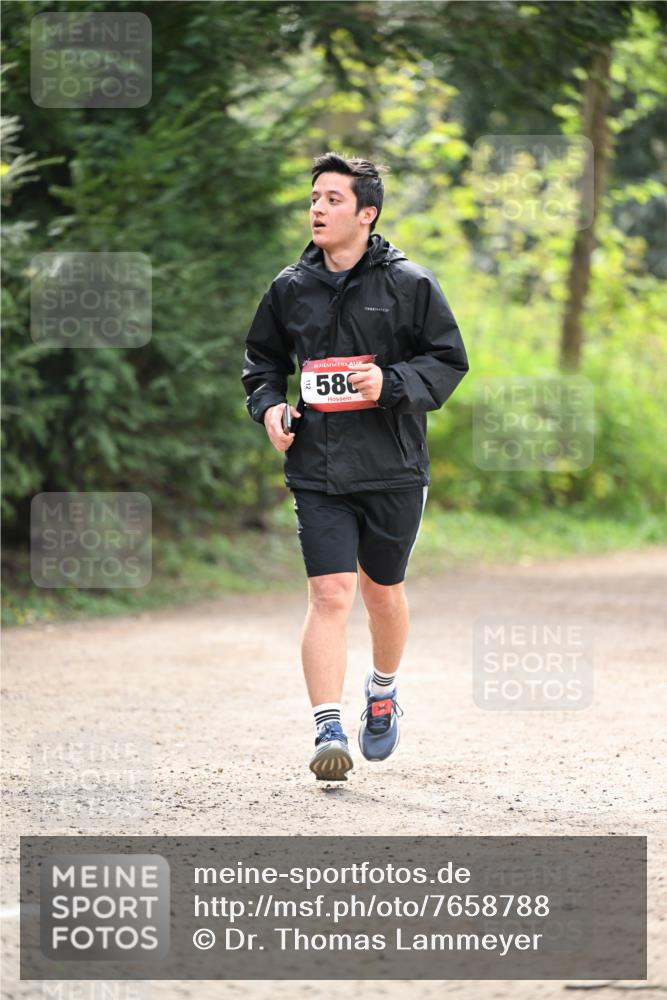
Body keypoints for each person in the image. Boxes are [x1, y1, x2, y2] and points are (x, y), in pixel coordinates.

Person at [241, 151, 468, 781]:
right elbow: (262, 362)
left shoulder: (411, 284)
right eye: (314, 197)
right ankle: (326, 728)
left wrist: (389, 381)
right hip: (318, 467)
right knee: (329, 592)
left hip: (393, 466)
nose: (317, 208)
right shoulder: (289, 288)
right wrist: (269, 409)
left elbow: (449, 361)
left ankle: (384, 689)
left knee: (381, 592)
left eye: (333, 199)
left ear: (366, 213)